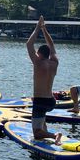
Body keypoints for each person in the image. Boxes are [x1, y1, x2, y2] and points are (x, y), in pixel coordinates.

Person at [26, 15, 62, 145]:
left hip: (40, 102)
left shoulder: (38, 62)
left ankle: (54, 135)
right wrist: (44, 28)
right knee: (42, 115)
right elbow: (51, 44)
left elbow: (29, 44)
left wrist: (37, 27)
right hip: (51, 101)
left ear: (39, 54)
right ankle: (44, 128)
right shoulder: (54, 62)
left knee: (37, 134)